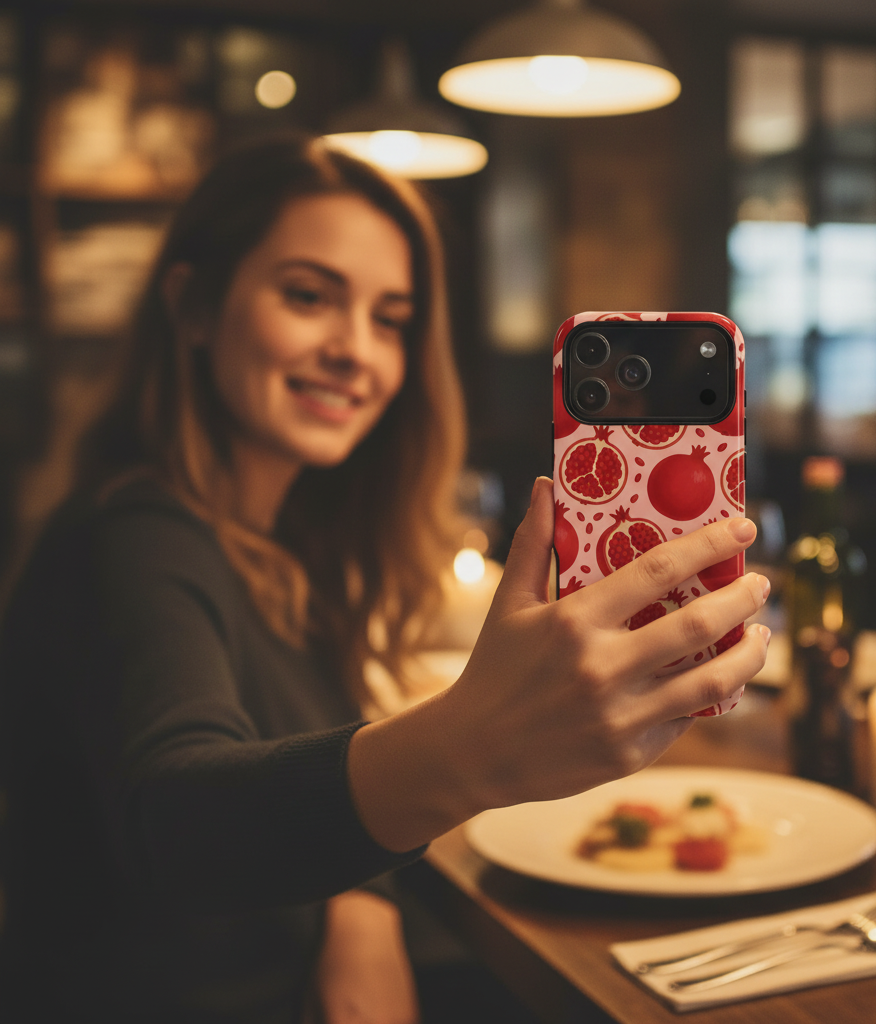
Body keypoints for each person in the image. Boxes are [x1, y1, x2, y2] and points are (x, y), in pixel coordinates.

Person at [0, 136, 770, 1024]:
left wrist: (361, 904)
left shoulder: (278, 545)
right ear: (195, 306)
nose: (355, 350)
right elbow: (177, 822)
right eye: (308, 296)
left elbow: (291, 750)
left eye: (391, 318)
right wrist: (466, 748)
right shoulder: (129, 538)